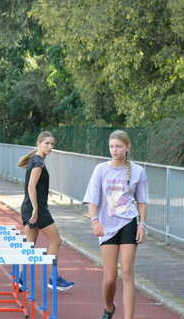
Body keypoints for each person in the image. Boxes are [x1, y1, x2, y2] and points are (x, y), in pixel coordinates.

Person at [83, 130, 148, 319]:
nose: (114, 150)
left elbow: (142, 201)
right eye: (112, 146)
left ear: (127, 147)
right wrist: (94, 221)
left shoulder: (138, 171)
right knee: (110, 277)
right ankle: (109, 307)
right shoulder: (101, 170)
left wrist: (142, 225)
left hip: (129, 223)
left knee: (127, 272)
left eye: (119, 146)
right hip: (106, 226)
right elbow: (92, 200)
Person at [18, 131, 74, 291]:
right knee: (56, 241)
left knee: (29, 245)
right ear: (39, 143)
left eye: (52, 144)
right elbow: (31, 186)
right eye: (47, 143)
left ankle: (21, 279)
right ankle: (53, 278)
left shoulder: (35, 160)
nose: (50, 147)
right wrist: (36, 209)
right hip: (37, 209)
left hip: (29, 207)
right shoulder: (38, 163)